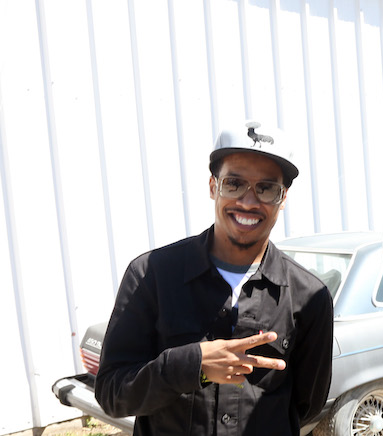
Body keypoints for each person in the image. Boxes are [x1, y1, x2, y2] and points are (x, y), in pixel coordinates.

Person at [95, 121, 334, 435]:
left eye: (266, 188)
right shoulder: (151, 275)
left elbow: (306, 405)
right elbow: (112, 394)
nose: (248, 202)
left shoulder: (309, 297)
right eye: (234, 183)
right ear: (213, 187)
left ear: (283, 197)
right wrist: (191, 366)